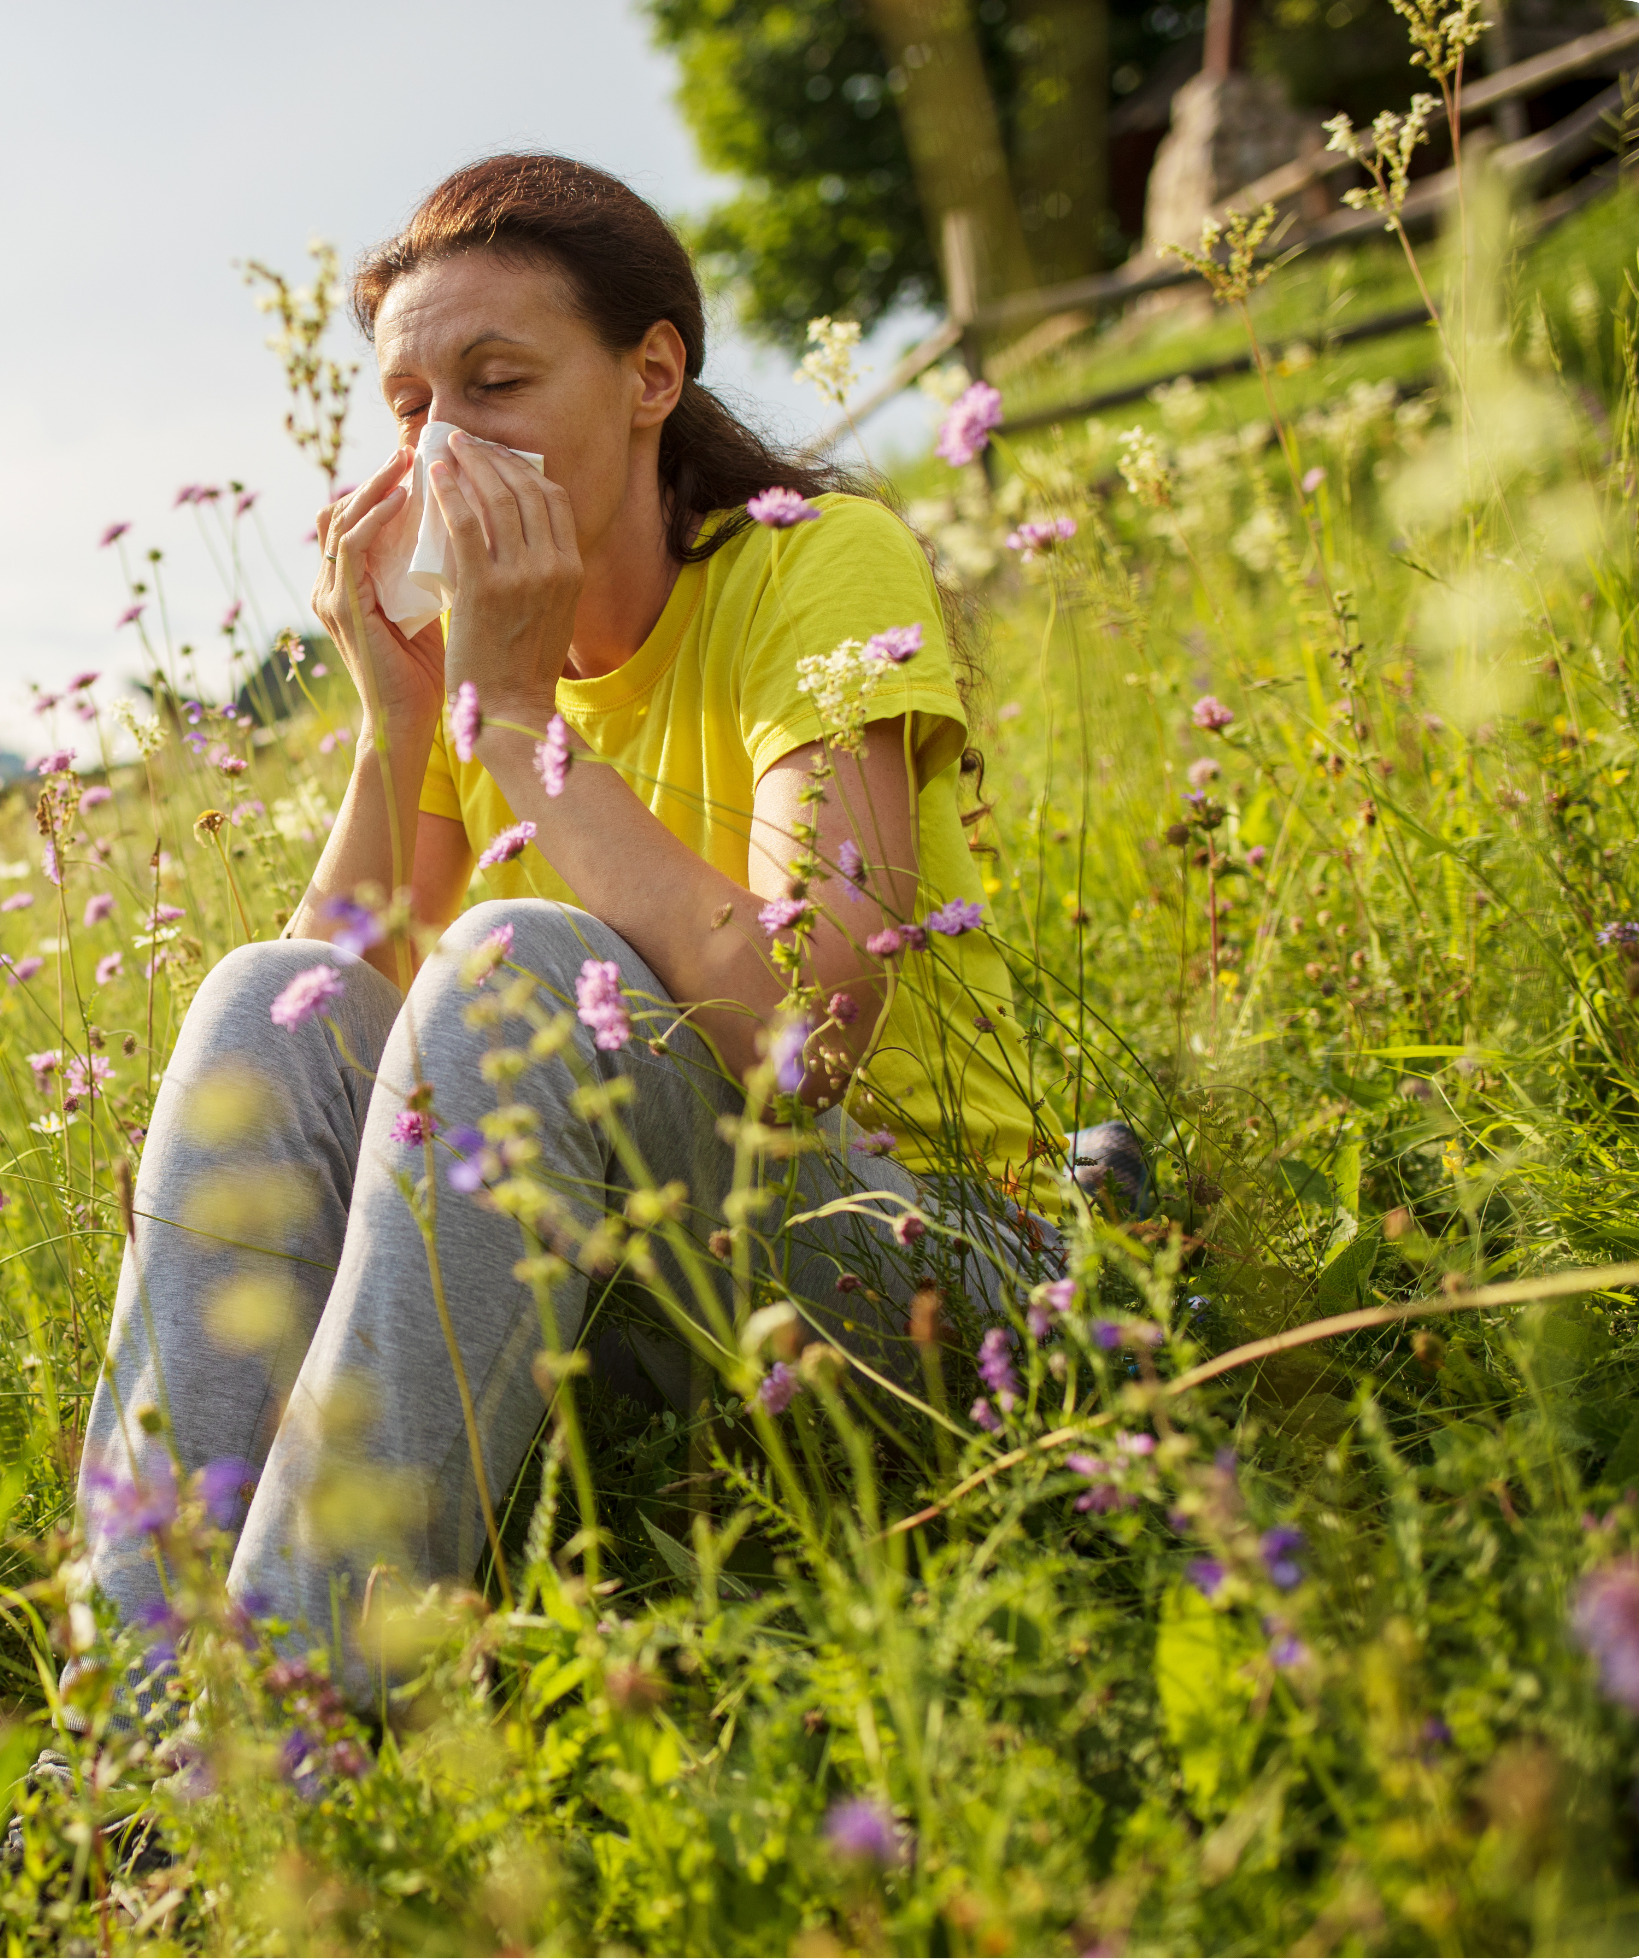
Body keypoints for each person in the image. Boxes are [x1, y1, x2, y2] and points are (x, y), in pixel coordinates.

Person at [75, 153, 1110, 1712]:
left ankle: (284, 1725)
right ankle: (138, 1719)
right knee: (259, 988)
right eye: (411, 406)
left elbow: (801, 1038)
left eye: (495, 383)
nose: (442, 444)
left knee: (514, 968)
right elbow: (307, 1051)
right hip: (629, 1287)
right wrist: (399, 712)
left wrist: (504, 719)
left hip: (917, 1270)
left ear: (649, 374)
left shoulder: (814, 565)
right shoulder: (467, 658)